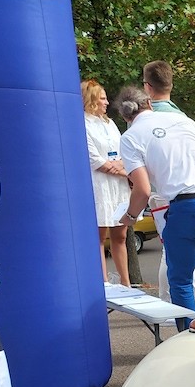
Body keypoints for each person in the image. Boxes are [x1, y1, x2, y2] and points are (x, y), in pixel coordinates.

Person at [115, 85, 195, 331]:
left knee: (180, 279)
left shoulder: (130, 137)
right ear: (149, 104)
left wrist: (130, 216)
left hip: (188, 206)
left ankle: (188, 339)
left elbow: (142, 189)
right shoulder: (182, 120)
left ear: (125, 117)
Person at [82, 79, 131, 286]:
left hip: (118, 187)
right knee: (99, 238)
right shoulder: (82, 123)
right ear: (91, 100)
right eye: (102, 98)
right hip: (100, 185)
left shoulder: (109, 123)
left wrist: (121, 167)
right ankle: (102, 283)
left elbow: (123, 153)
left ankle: (126, 283)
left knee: (120, 236)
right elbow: (95, 160)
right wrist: (122, 170)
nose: (106, 102)